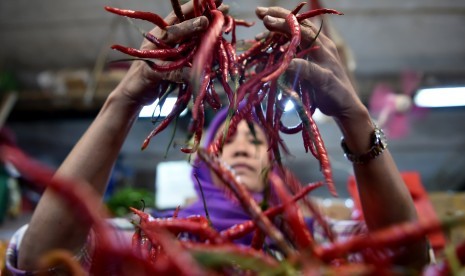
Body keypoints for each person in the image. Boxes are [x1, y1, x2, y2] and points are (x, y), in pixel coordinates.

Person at [6, 1, 430, 274]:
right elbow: (41, 260)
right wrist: (122, 101)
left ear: (272, 161)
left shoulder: (311, 237)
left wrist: (354, 115)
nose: (241, 145)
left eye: (253, 140)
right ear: (199, 158)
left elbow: (408, 260)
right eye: (225, 140)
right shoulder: (154, 236)